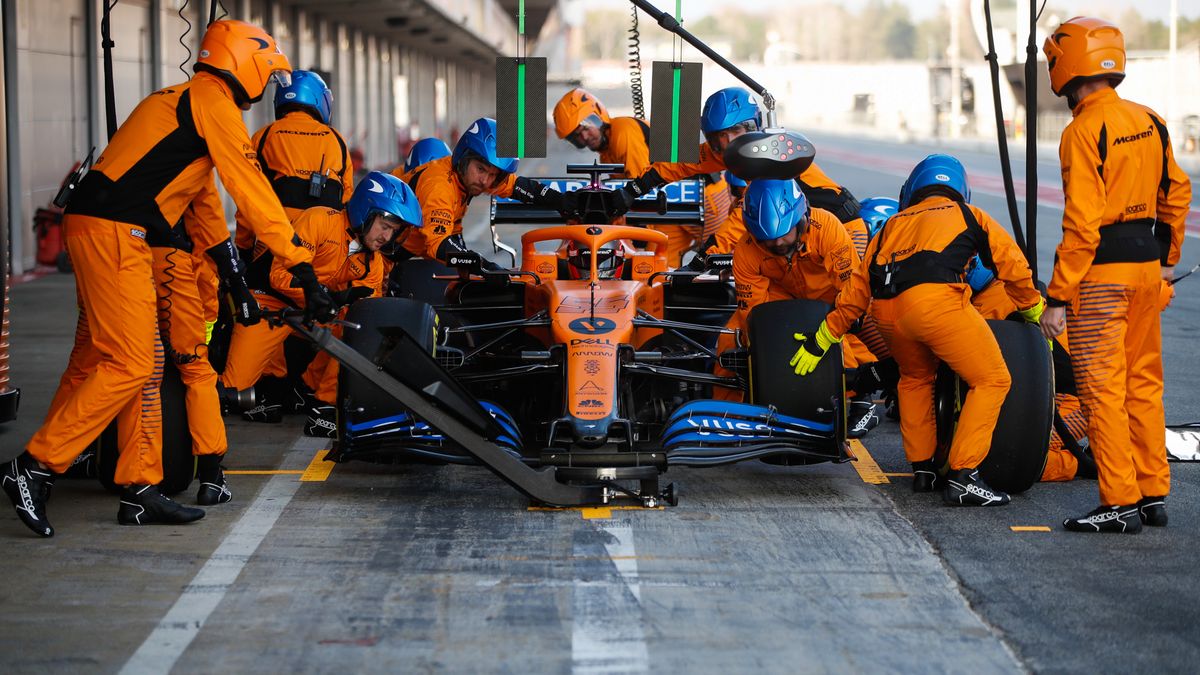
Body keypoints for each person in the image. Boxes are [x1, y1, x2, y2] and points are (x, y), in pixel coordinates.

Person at [1, 20, 331, 536]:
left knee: (107, 359)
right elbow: (250, 190)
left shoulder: (189, 103)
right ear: (244, 64)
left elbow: (201, 208)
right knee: (132, 362)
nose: (263, 90)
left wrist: (236, 279)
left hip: (107, 228)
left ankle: (138, 489)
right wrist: (301, 263)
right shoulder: (214, 102)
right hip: (116, 232)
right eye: (265, 77)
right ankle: (35, 466)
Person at [793, 154, 1043, 506]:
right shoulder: (969, 215)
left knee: (914, 380)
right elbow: (1011, 263)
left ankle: (924, 470)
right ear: (961, 190)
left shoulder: (891, 225)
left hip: (888, 313)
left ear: (911, 191)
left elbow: (855, 294)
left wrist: (822, 339)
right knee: (992, 380)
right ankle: (965, 475)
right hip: (937, 304)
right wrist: (1032, 307)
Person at [1039, 17, 1191, 533]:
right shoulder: (1151, 120)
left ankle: (1119, 503)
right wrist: (1165, 259)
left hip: (1101, 280)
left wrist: (1058, 296)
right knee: (1144, 386)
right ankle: (1152, 493)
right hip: (1148, 274)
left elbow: (1082, 221)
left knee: (1102, 390)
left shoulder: (1082, 131)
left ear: (1067, 65)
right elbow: (1177, 191)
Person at [221, 171, 421, 433]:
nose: (387, 237)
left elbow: (370, 313)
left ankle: (321, 403)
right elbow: (279, 276)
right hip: (267, 305)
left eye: (394, 231)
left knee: (360, 324)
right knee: (232, 389)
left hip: (312, 311)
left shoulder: (373, 262)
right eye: (385, 226)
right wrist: (327, 296)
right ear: (366, 211)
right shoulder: (319, 220)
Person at [713, 178, 880, 437]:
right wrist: (763, 354)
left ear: (800, 218)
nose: (777, 245)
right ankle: (727, 415)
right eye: (768, 240)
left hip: (827, 298)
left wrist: (836, 324)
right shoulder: (746, 251)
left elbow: (853, 288)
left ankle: (862, 397)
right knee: (731, 334)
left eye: (783, 236)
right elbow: (752, 313)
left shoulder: (827, 227)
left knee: (833, 332)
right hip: (780, 299)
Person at [151, 179, 264, 506]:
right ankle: (212, 479)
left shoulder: (133, 168)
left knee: (116, 366)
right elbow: (215, 234)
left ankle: (85, 455)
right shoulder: (192, 172)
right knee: (198, 374)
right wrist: (239, 287)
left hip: (125, 266)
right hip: (181, 276)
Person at [616, 87, 863, 230]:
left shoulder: (767, 158)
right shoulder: (724, 153)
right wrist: (632, 190)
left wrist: (707, 253)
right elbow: (678, 165)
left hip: (843, 225)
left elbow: (741, 220)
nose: (727, 144)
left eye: (735, 132)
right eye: (718, 137)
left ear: (754, 127)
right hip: (798, 233)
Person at [552, 88, 729, 267]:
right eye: (576, 136)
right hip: (670, 208)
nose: (584, 136)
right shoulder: (606, 154)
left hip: (703, 197)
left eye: (585, 127)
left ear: (598, 116)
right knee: (657, 270)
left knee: (719, 264)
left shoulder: (623, 132)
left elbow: (639, 189)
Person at [966, 259, 1097, 482]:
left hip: (1078, 405)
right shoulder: (1006, 288)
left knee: (1013, 453)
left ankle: (1079, 464)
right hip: (1055, 399)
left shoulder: (991, 304)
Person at [391, 117, 566, 268]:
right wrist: (481, 264)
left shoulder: (471, 176)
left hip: (415, 248)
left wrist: (563, 200)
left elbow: (518, 186)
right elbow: (438, 244)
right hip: (386, 257)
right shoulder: (439, 185)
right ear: (464, 157)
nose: (485, 181)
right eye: (481, 169)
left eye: (493, 175)